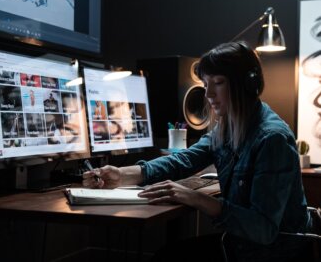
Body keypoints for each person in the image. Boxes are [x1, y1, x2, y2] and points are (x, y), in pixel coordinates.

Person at [83, 41, 313, 262]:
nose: (209, 94)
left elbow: (263, 230)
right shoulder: (228, 127)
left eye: (218, 82)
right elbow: (184, 160)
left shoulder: (272, 139)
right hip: (240, 245)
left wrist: (195, 198)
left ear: (247, 84)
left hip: (271, 254)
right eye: (206, 84)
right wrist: (122, 174)